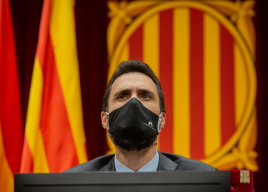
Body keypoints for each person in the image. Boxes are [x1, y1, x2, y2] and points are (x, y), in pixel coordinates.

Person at [65, 60, 217, 172]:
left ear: (162, 119)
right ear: (105, 119)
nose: (133, 103)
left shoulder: (201, 178)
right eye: (122, 96)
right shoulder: (75, 182)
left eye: (144, 95)